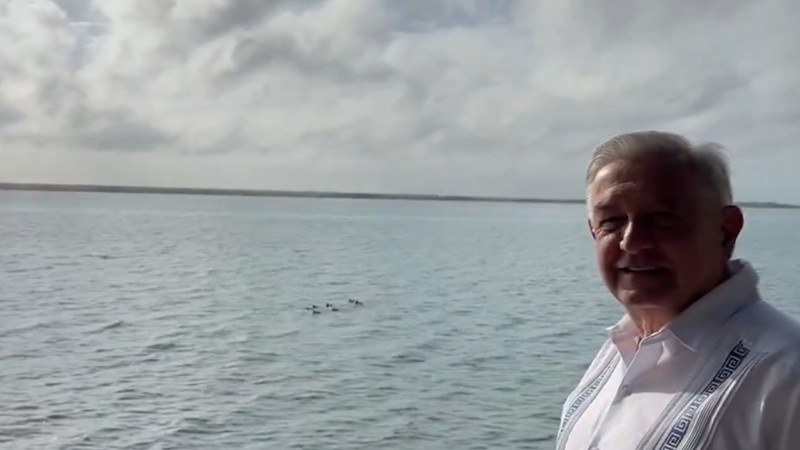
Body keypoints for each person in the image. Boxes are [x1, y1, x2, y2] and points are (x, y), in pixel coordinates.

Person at [557, 131, 800, 450]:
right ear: (593, 233)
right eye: (612, 221)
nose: (632, 241)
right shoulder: (620, 350)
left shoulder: (785, 374)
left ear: (725, 230)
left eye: (661, 219)